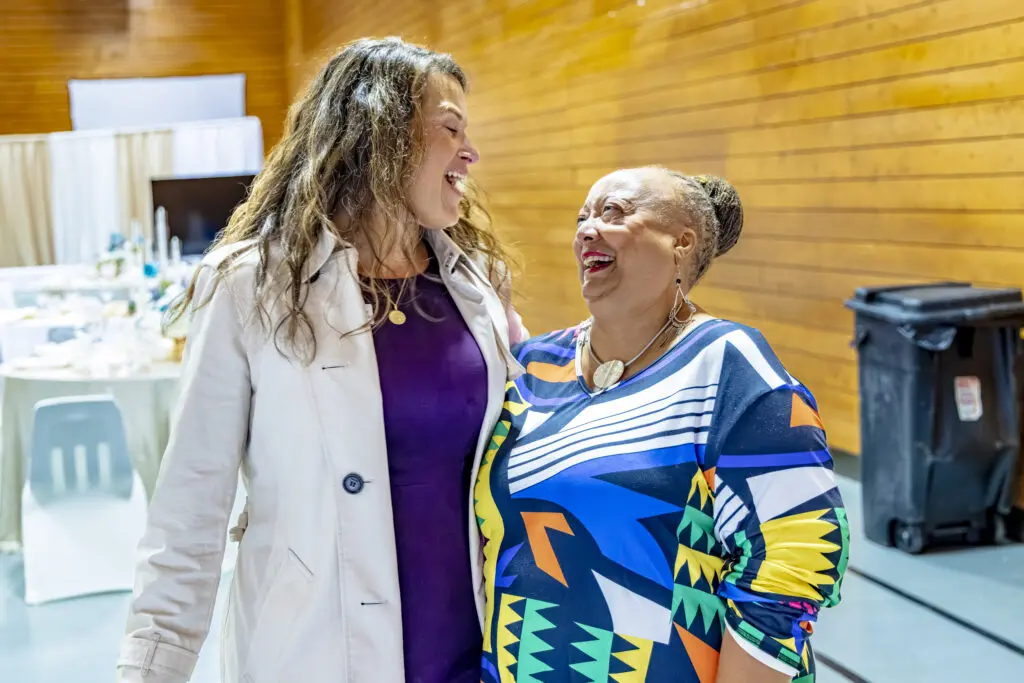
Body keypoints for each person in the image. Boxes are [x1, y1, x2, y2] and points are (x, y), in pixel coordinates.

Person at [118, 38, 528, 683]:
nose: (470, 153)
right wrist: (150, 670)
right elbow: (189, 511)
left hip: (473, 647)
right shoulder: (253, 285)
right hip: (315, 651)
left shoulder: (478, 286)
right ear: (380, 134)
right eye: (450, 130)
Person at [474, 167, 849, 682]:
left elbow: (797, 552)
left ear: (680, 243)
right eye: (582, 216)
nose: (587, 229)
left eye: (614, 213)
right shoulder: (532, 364)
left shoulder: (730, 367)